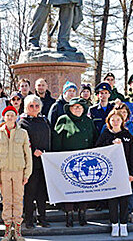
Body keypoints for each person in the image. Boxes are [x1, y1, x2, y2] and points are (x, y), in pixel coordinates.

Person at [52, 97, 97, 227]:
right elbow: (57, 140)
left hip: (85, 161)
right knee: (69, 188)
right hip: (67, 161)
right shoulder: (63, 120)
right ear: (70, 109)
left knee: (84, 188)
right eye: (74, 107)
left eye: (79, 107)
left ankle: (82, 213)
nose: (77, 109)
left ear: (84, 109)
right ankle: (69, 214)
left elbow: (94, 138)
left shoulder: (88, 121)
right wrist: (57, 158)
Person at [96, 110, 133, 237]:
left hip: (125, 174)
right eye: (112, 120)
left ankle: (124, 224)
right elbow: (97, 151)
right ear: (108, 121)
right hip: (110, 174)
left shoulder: (127, 136)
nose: (115, 122)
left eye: (118, 120)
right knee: (113, 201)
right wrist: (110, 144)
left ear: (122, 121)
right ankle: (114, 224)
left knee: (124, 201)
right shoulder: (105, 134)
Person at [0, 106, 33, 241]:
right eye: (7, 115)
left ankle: (18, 229)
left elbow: (28, 154)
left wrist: (27, 173)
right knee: (7, 201)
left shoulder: (23, 133)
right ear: (4, 117)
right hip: (4, 171)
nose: (10, 118)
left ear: (16, 117)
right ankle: (8, 230)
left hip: (18, 171)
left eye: (12, 115)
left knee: (18, 200)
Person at [19, 95, 51, 229]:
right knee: (30, 192)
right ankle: (28, 219)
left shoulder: (44, 121)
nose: (34, 108)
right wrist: (33, 151)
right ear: (26, 107)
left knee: (42, 192)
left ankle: (42, 218)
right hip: (30, 162)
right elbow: (21, 143)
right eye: (31, 106)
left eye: (37, 106)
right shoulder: (22, 123)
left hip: (44, 161)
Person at [112, 103, 133, 224]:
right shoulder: (108, 127)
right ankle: (115, 213)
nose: (123, 114)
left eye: (125, 112)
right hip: (114, 163)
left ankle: (131, 212)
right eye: (120, 111)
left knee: (132, 187)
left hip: (130, 161)